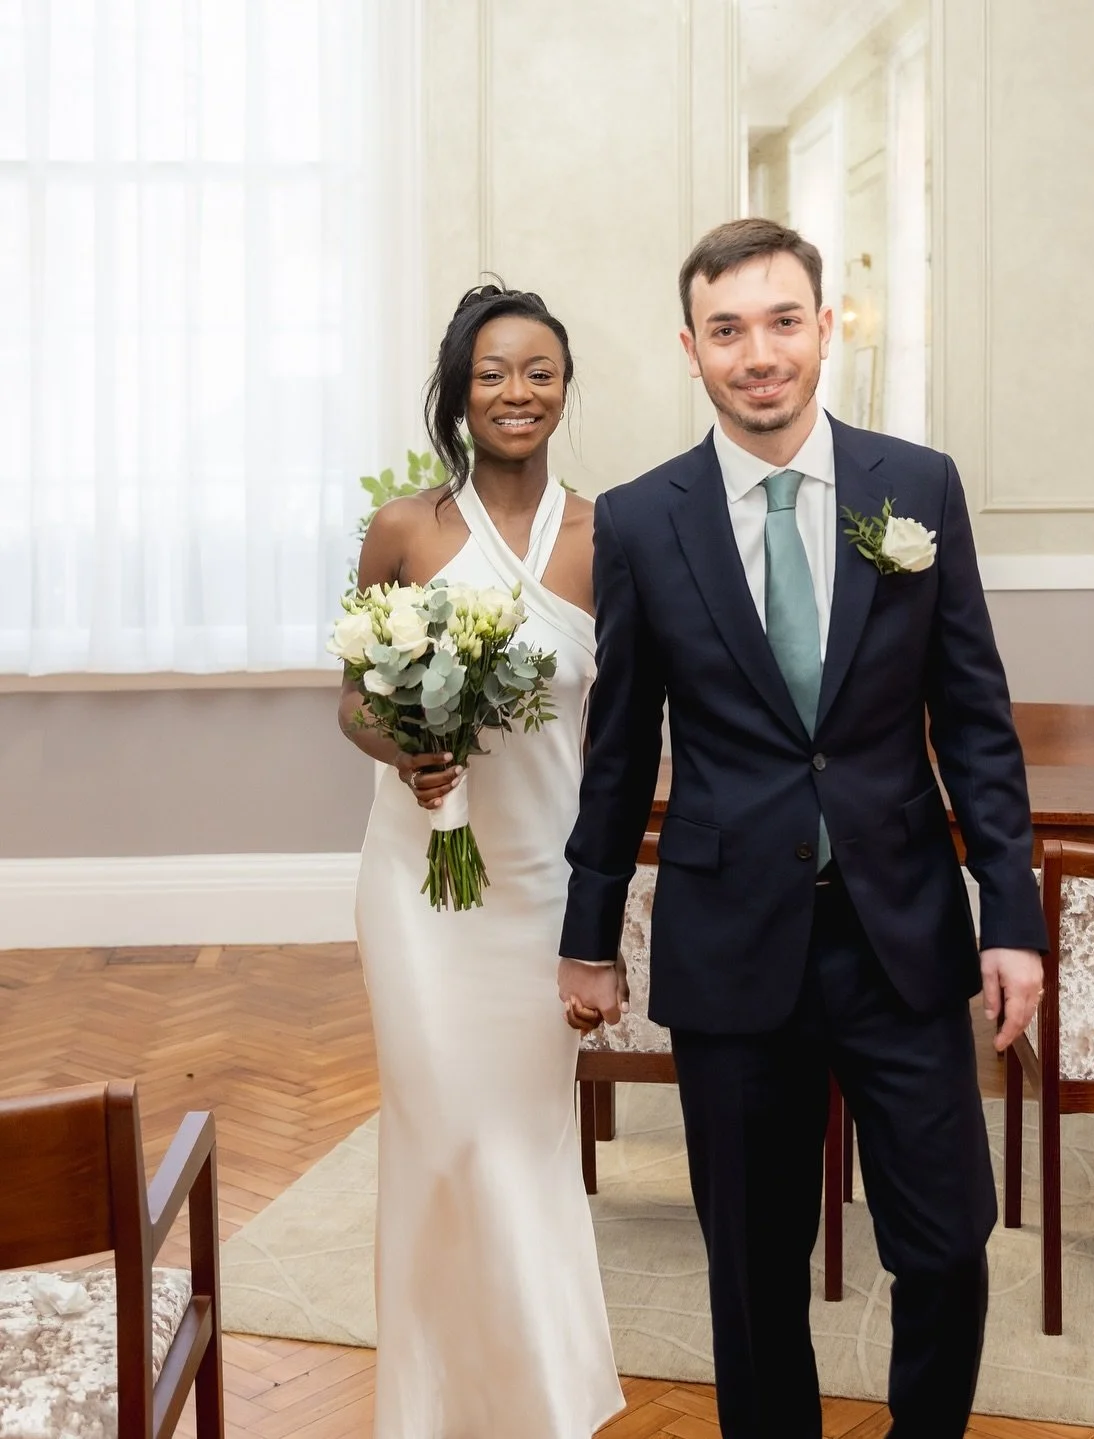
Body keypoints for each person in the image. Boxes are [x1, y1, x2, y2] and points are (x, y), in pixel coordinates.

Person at [557, 219, 1046, 1438]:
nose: (758, 352)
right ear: (692, 349)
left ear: (826, 330)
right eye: (728, 330)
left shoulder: (917, 487)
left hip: (903, 936)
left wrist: (1013, 918)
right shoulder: (637, 518)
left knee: (946, 1240)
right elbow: (619, 751)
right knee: (753, 1268)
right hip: (733, 944)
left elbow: (975, 720)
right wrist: (588, 931)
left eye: (783, 322)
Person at [342, 283, 624, 1437]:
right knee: (441, 1132)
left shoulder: (612, 536)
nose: (518, 391)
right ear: (460, 393)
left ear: (565, 387)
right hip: (419, 886)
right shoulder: (408, 528)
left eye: (539, 371)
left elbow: (628, 724)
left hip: (542, 886)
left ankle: (543, 1399)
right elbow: (355, 700)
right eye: (494, 372)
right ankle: (429, 1407)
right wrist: (409, 742)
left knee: (521, 1139)